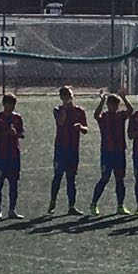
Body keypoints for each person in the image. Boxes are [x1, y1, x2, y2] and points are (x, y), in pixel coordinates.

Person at [90, 92, 134, 215]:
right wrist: (102, 101)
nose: (113, 107)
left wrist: (124, 98)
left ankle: (120, 205)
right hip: (107, 152)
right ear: (107, 105)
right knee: (105, 178)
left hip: (119, 152)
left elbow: (130, 110)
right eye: (110, 104)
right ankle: (94, 203)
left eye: (115, 105)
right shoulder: (104, 117)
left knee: (120, 179)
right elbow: (95, 115)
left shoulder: (120, 116)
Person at [47, 85, 89, 215]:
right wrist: (65, 109)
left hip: (73, 149)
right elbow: (60, 122)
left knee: (71, 178)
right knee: (58, 176)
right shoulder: (57, 110)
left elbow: (86, 130)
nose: (69, 98)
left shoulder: (80, 111)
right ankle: (53, 201)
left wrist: (80, 127)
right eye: (66, 96)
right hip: (60, 148)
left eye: (70, 95)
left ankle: (72, 206)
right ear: (61, 98)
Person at [0, 93, 25, 219]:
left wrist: (16, 133)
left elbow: (22, 134)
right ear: (4, 104)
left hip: (14, 155)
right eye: (10, 104)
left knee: (14, 183)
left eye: (14, 104)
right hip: (1, 155)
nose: (12, 106)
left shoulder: (17, 118)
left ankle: (12, 210)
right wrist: (6, 133)